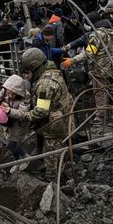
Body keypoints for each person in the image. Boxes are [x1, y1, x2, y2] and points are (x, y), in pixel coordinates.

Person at [20, 48, 73, 181]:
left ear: (34, 67)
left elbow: (41, 111)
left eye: (26, 71)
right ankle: (63, 165)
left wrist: (24, 116)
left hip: (55, 124)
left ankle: (53, 180)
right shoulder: (52, 70)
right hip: (64, 115)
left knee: (51, 153)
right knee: (61, 146)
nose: (25, 75)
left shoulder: (45, 84)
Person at [61, 19, 113, 125]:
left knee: (99, 92)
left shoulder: (96, 35)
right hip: (107, 66)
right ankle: (108, 112)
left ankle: (101, 117)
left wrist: (72, 60)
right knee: (105, 89)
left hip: (98, 68)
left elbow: (88, 54)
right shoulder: (111, 33)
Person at [0, 75, 31, 173]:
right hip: (7, 122)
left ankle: (26, 157)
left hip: (19, 124)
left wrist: (9, 110)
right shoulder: (5, 91)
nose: (10, 95)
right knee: (12, 143)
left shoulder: (26, 97)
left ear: (18, 92)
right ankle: (17, 161)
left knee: (11, 143)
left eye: (13, 94)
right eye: (8, 92)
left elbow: (22, 113)